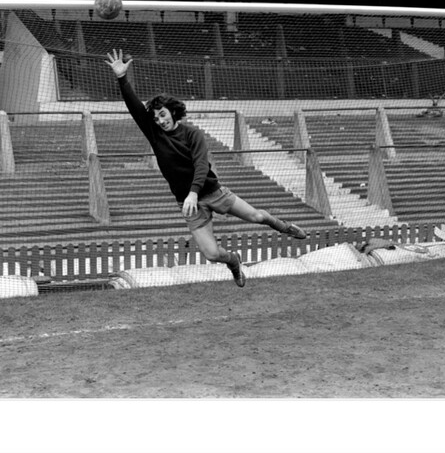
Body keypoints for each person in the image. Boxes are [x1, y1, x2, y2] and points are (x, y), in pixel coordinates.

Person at [104, 49, 307, 288]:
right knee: (211, 254)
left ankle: (283, 226)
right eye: (156, 118)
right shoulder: (155, 133)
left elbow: (202, 165)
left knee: (257, 216)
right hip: (189, 204)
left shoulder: (193, 133)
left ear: (173, 111)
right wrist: (121, 78)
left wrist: (193, 191)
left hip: (213, 192)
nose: (160, 120)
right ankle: (234, 262)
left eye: (163, 115)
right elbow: (134, 107)